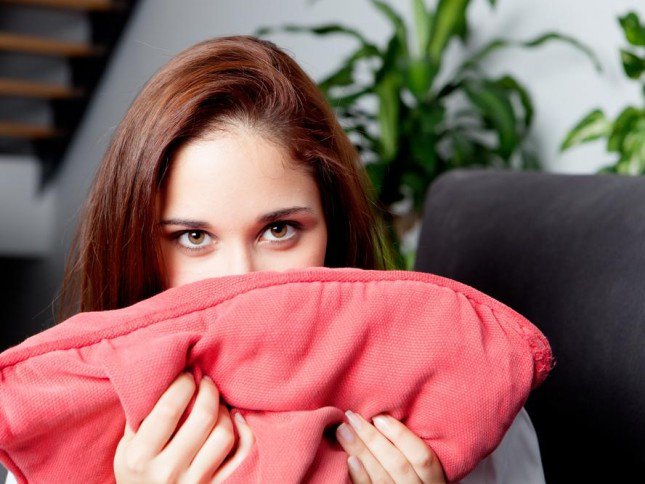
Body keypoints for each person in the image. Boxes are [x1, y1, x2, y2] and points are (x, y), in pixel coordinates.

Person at [4, 36, 544, 483]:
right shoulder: (59, 423)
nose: (241, 281)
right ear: (137, 246)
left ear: (333, 225)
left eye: (279, 230)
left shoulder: (464, 395)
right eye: (193, 237)